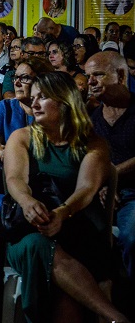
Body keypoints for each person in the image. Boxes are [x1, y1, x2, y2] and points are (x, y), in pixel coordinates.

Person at [4, 72, 130, 323]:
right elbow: (15, 180)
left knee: (68, 280)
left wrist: (62, 212)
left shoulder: (93, 144)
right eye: (34, 97)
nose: (34, 103)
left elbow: (86, 188)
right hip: (29, 230)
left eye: (43, 97)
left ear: (64, 102)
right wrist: (28, 202)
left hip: (77, 228)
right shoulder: (22, 138)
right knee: (38, 245)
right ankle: (114, 316)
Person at [0, 57, 55, 320]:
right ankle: (2, 270)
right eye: (17, 77)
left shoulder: (51, 110)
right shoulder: (6, 108)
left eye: (26, 77)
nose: (18, 83)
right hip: (7, 179)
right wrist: (10, 156)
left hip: (44, 183)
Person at [86, 52, 135, 280]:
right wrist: (101, 186)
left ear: (121, 76)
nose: (90, 82)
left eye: (98, 75)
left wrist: (112, 176)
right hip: (99, 195)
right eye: (88, 76)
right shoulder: (92, 119)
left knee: (132, 236)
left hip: (132, 194)